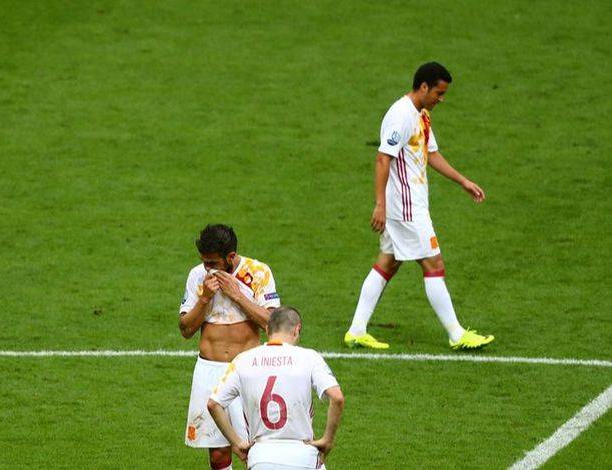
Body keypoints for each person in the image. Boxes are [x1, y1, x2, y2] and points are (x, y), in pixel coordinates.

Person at [344, 62, 492, 350]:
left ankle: (356, 330)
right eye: (438, 92)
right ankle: (457, 334)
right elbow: (382, 159)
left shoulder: (421, 115)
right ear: (423, 87)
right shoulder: (401, 115)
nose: (441, 99)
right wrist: (380, 205)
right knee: (434, 264)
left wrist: (462, 181)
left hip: (409, 204)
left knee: (388, 262)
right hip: (406, 208)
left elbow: (431, 154)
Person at [180, 224, 281, 470]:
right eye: (204, 262)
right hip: (209, 371)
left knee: (255, 449)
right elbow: (186, 330)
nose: (208, 269)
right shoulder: (197, 277)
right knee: (218, 455)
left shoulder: (258, 272)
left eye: (213, 263)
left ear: (231, 257)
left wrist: (237, 295)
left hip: (246, 370)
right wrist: (204, 297)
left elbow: (273, 325)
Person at [208, 306, 344, 469]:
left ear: (267, 329)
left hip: (261, 457)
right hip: (303, 456)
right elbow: (337, 397)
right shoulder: (309, 357)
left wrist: (236, 443)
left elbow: (213, 404)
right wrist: (327, 440)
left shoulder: (242, 360)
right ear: (297, 329)